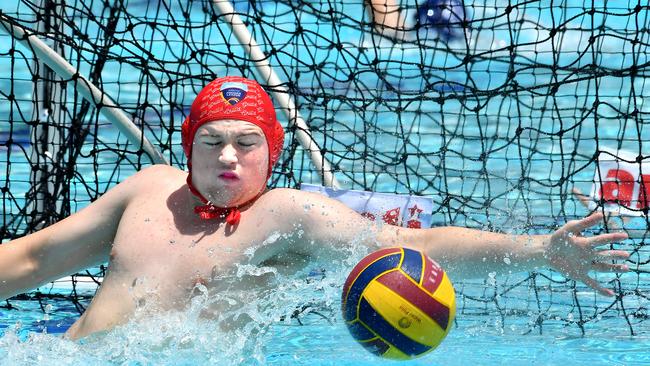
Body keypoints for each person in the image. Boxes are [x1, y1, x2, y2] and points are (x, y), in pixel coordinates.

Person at [0, 76, 630, 340]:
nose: (227, 158)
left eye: (246, 144)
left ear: (269, 155)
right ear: (186, 149)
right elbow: (30, 258)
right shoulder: (147, 191)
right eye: (210, 142)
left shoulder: (290, 214)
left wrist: (538, 251)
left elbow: (419, 250)